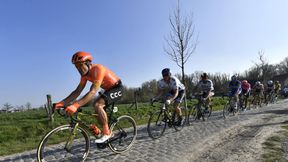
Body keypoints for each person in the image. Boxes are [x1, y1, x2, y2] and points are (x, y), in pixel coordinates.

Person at [53, 51, 123, 143]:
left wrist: (75, 105)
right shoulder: (84, 76)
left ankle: (107, 133)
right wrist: (62, 103)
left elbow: (93, 91)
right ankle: (103, 131)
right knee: (97, 113)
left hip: (117, 87)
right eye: (76, 66)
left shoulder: (98, 69)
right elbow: (77, 91)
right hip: (107, 90)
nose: (78, 69)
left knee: (98, 105)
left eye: (80, 65)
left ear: (88, 63)